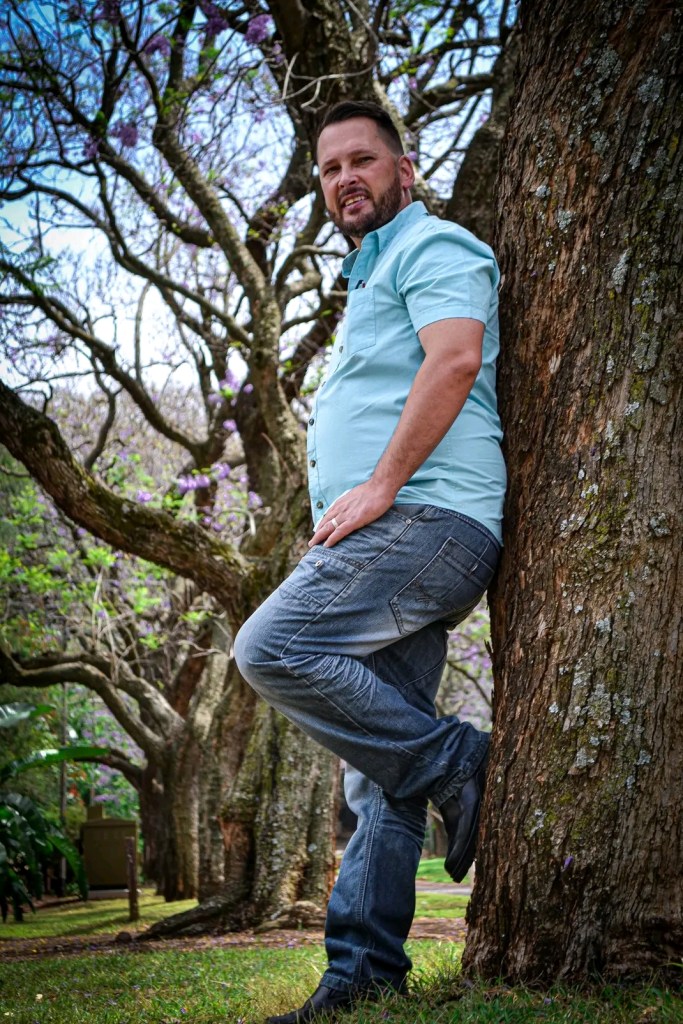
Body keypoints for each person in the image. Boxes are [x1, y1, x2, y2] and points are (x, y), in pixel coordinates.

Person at [234, 99, 506, 1024]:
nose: (344, 178)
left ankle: (456, 760)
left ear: (404, 169)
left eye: (362, 160)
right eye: (329, 169)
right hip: (395, 535)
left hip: (427, 520)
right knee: (376, 769)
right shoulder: (372, 274)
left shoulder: (434, 246)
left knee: (269, 648)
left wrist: (382, 485)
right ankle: (361, 978)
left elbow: (454, 360)